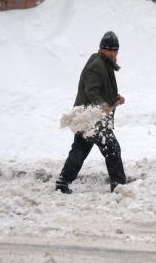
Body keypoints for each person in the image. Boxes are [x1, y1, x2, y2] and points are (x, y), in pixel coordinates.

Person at [56, 31, 126, 194]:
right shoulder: (97, 66)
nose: (115, 54)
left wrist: (115, 98)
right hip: (92, 118)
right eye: (112, 50)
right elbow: (91, 91)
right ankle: (119, 186)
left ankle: (63, 181)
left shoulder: (104, 63)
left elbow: (100, 89)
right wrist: (103, 105)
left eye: (116, 51)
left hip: (88, 118)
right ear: (104, 49)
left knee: (80, 150)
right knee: (112, 149)